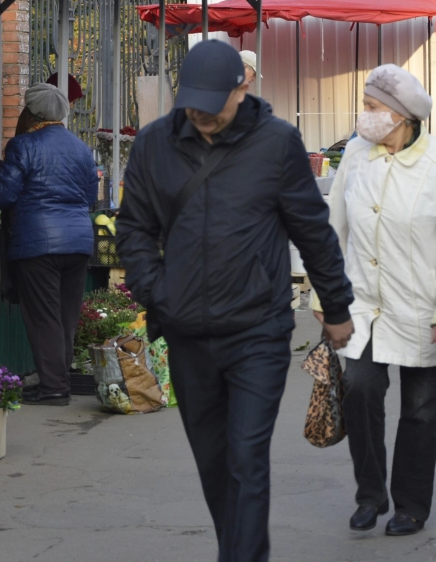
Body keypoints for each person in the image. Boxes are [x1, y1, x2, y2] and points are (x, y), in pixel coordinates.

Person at [116, 40, 354, 562]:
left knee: (246, 458)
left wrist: (335, 307)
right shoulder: (157, 144)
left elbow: (312, 231)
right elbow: (133, 227)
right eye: (192, 101)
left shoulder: (276, 143)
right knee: (214, 462)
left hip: (257, 332)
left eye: (213, 101)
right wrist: (157, 290)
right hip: (187, 334)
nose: (201, 113)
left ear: (242, 87)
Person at [311, 64, 436, 537]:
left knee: (421, 411)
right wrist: (324, 294)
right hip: (363, 306)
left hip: (424, 309)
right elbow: (332, 227)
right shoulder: (357, 158)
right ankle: (370, 494)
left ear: (401, 115)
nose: (363, 116)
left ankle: (411, 505)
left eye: (371, 108)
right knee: (360, 390)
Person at [0, 84, 98, 406]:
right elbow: (90, 195)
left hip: (38, 243)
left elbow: (2, 197)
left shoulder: (22, 145)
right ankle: (57, 381)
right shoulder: (81, 148)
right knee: (65, 316)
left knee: (45, 318)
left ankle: (53, 388)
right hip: (78, 240)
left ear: (31, 113)